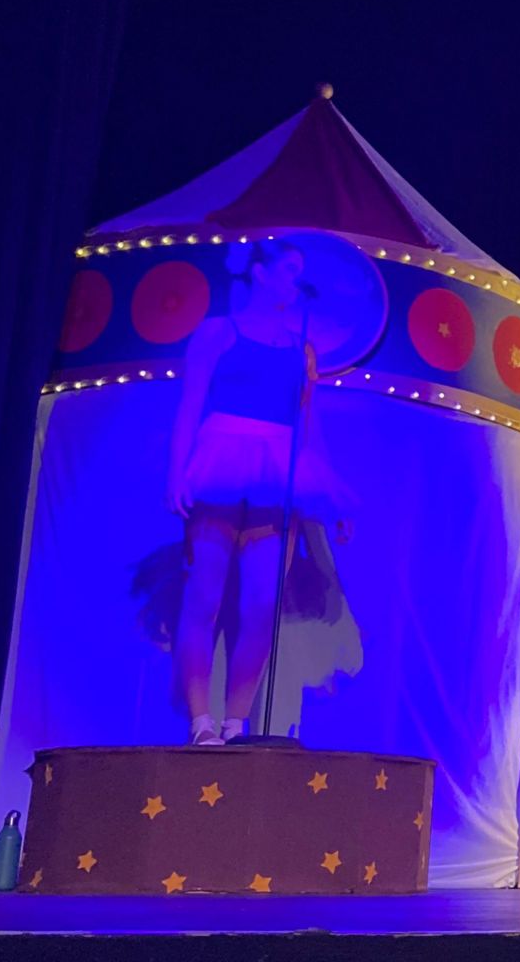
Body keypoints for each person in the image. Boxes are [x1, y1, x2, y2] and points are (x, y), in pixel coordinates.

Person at [166, 239, 348, 746]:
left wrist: (330, 495)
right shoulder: (218, 333)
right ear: (261, 273)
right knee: (204, 595)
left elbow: (310, 424)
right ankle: (201, 722)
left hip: (277, 470)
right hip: (222, 462)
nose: (295, 281)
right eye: (289, 270)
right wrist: (175, 473)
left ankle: (235, 721)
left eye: (299, 272)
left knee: (261, 604)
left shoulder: (300, 347)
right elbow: (190, 405)